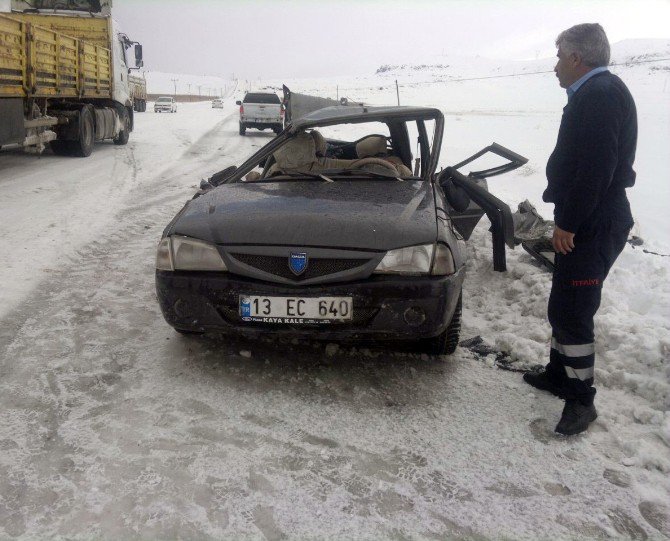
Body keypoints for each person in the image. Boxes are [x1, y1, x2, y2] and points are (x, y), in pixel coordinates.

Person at [523, 23, 637, 435]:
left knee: (574, 309)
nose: (555, 67)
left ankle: (581, 398)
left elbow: (597, 169)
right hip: (589, 215)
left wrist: (568, 223)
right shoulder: (593, 93)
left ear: (576, 58)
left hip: (594, 219)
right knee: (564, 302)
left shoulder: (601, 95)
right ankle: (559, 374)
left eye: (559, 57)